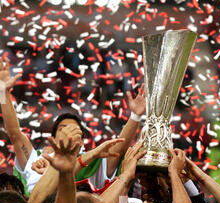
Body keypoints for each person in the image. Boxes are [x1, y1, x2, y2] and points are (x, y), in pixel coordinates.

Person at [0, 57, 145, 195]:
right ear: (53, 139)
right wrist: (2, 90)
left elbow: (118, 149)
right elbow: (14, 132)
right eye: (63, 129)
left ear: (81, 142)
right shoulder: (36, 160)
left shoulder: (93, 164)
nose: (68, 132)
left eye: (74, 130)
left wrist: (135, 116)